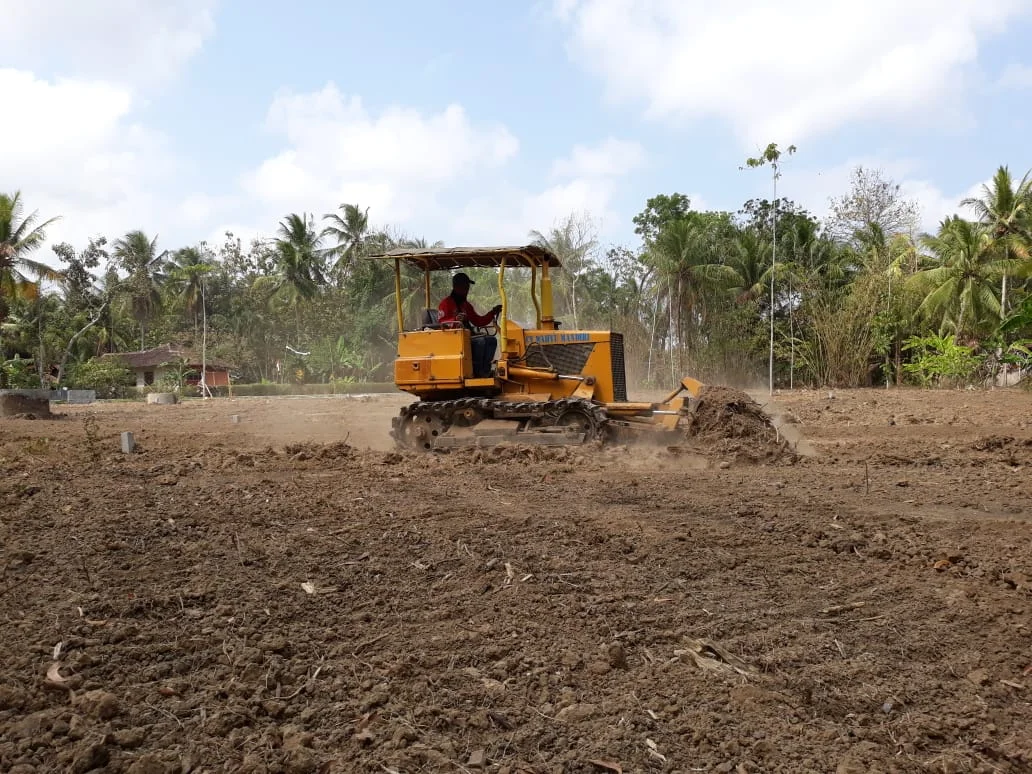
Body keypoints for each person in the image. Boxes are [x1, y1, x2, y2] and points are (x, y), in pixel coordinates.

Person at [438, 272, 502, 377]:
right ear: (456, 287)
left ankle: (485, 370)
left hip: (467, 336)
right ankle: (476, 371)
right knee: (480, 342)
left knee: (491, 340)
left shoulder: (465, 305)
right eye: (465, 287)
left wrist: (492, 313)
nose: (467, 291)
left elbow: (478, 321)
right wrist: (455, 319)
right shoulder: (446, 304)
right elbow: (442, 323)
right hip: (453, 340)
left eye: (467, 288)